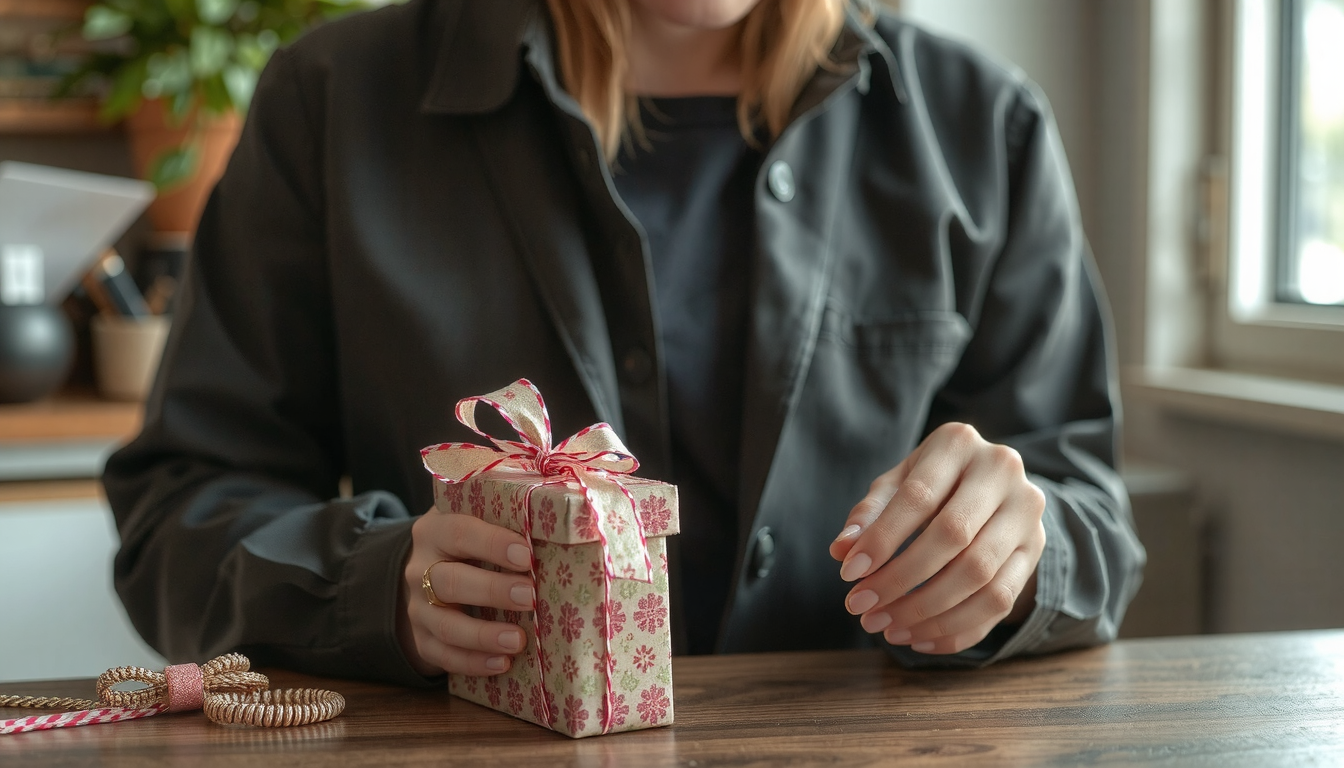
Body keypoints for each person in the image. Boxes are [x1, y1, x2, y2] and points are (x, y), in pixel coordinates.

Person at [103, 0, 1145, 686]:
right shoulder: (333, 102)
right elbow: (178, 518)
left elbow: (1087, 507)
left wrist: (1020, 558)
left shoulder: (983, 127)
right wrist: (374, 588)